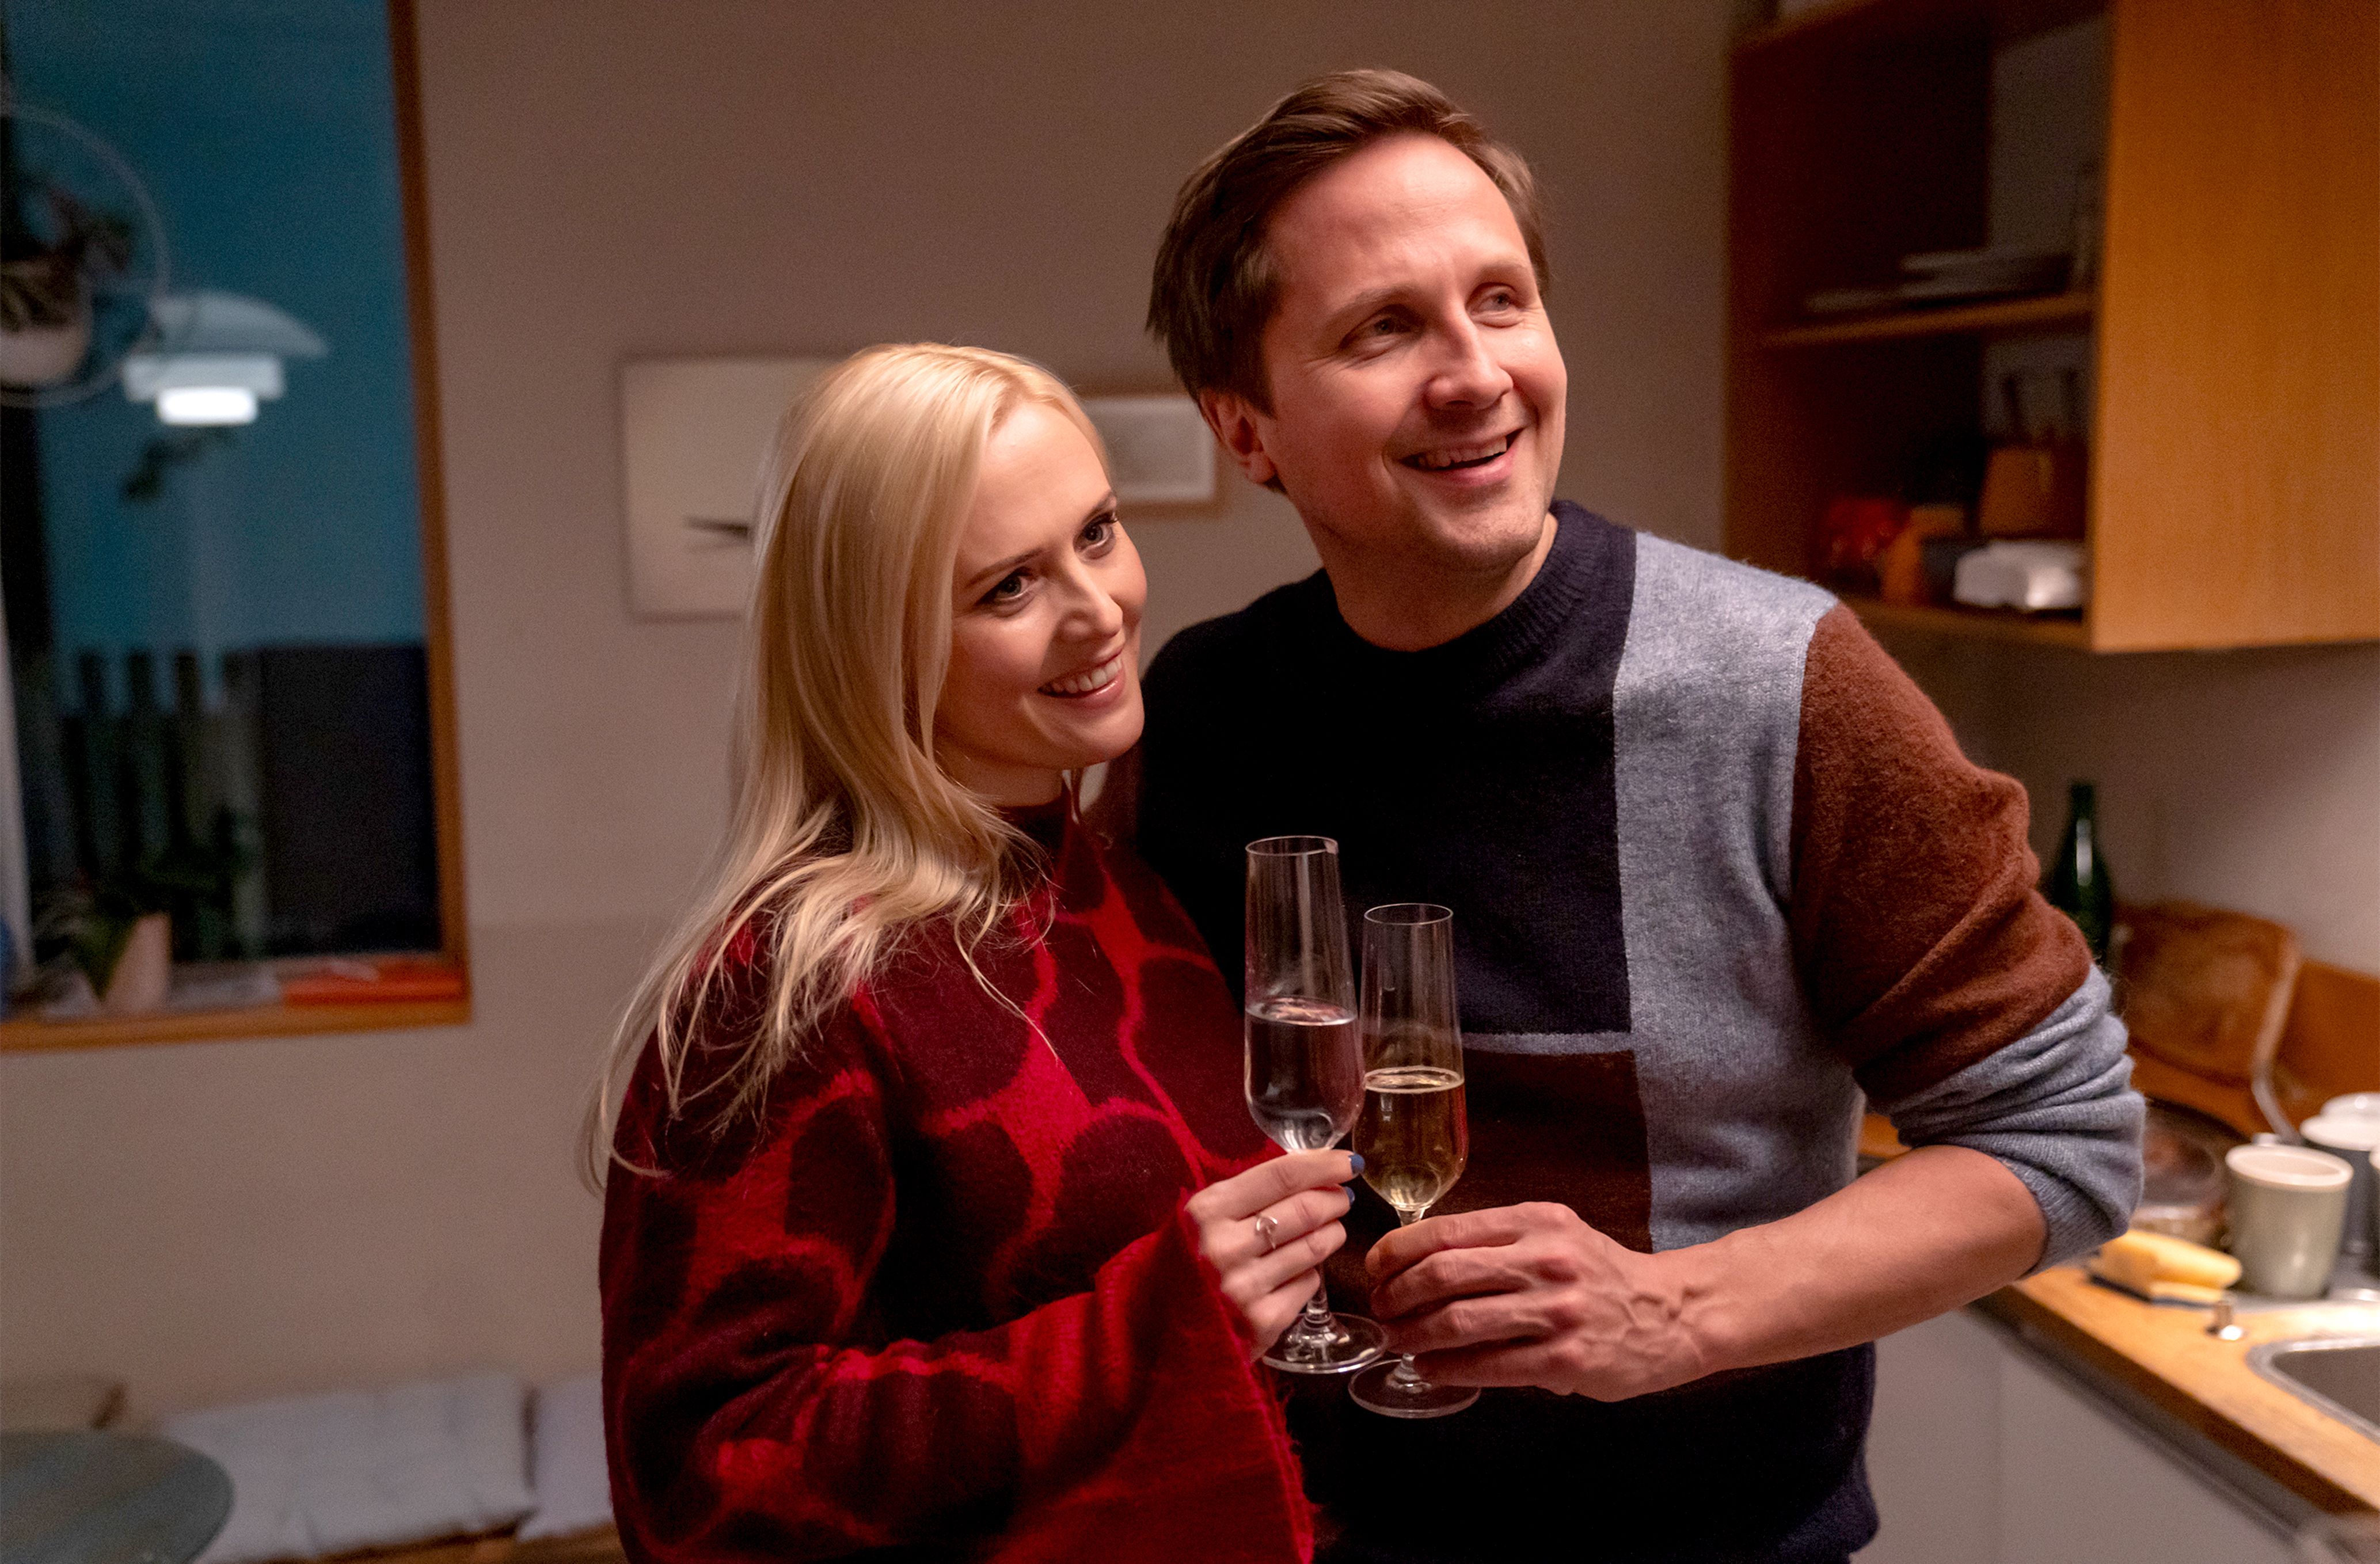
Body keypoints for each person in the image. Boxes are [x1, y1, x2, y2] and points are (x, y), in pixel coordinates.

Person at [1121, 71, 2144, 1562]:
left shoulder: (1781, 684)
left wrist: (1672, 1311)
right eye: (1384, 328)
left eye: (1501, 301)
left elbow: (2064, 1141)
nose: (1474, 372)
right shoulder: (1205, 713)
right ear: (1247, 428)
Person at [592, 344, 1355, 1563]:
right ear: (878, 648)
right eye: (1008, 588)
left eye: (1097, 532)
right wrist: (1143, 1325)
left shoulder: (1114, 879)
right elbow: (698, 1480)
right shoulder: (787, 978)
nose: (1098, 610)